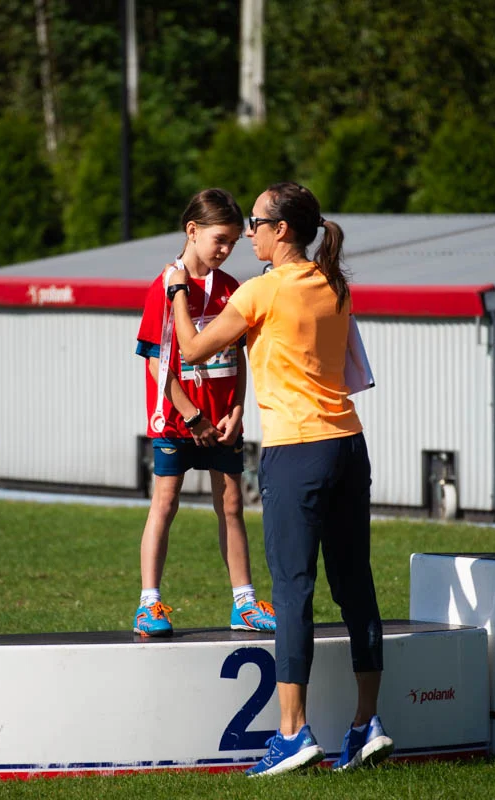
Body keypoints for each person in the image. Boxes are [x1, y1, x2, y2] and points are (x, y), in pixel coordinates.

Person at [166, 182, 393, 775]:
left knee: (292, 591)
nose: (248, 233)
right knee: (356, 585)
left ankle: (293, 733)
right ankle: (366, 723)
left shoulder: (261, 292)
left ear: (281, 230)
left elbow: (192, 350)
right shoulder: (334, 284)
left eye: (256, 223)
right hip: (349, 445)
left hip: (297, 454)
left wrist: (178, 290)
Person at [132, 188, 276, 637]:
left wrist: (237, 409)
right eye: (219, 239)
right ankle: (148, 604)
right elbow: (157, 363)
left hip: (222, 424)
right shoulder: (165, 287)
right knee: (165, 502)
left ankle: (244, 603)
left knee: (232, 504)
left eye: (233, 242)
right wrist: (192, 416)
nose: (226, 249)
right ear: (192, 230)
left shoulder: (231, 288)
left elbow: (240, 357)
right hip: (178, 422)